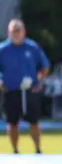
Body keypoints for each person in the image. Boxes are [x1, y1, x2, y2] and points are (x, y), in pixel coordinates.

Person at [0, 19, 50, 154]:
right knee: (12, 122)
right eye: (13, 31)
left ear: (24, 31)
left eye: (18, 30)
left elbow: (44, 66)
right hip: (10, 90)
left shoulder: (32, 47)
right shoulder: (3, 49)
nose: (16, 33)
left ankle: (38, 149)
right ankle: (15, 150)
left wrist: (39, 81)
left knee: (34, 121)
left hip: (29, 90)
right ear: (9, 32)